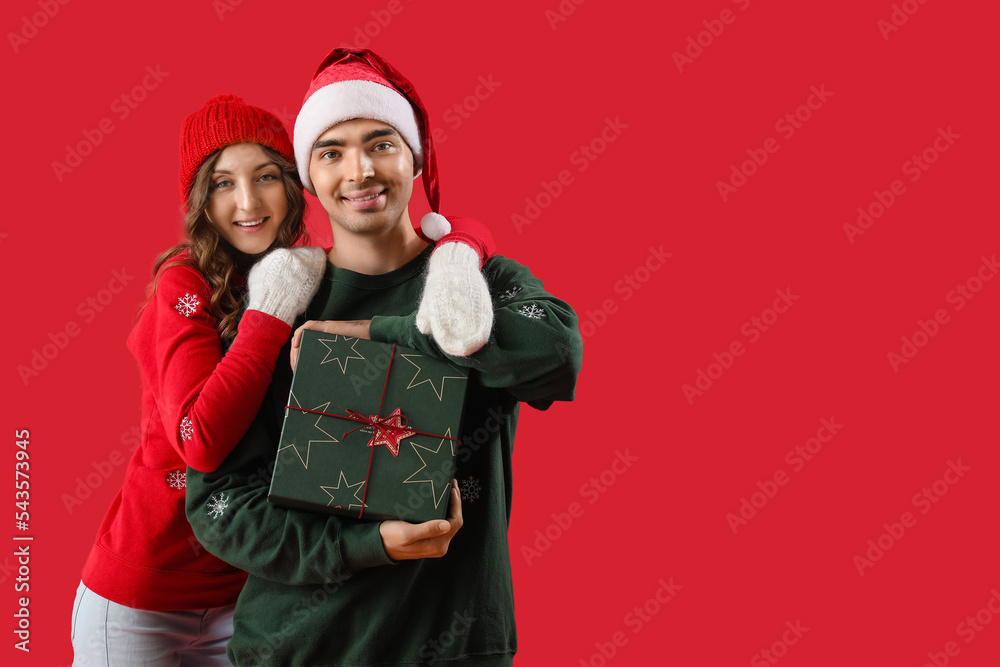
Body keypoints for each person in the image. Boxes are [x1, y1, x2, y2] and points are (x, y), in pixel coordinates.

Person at [185, 48, 583, 666]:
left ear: (415, 156)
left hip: (454, 649)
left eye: (382, 143)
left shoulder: (480, 283)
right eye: (331, 152)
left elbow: (556, 354)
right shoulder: (276, 306)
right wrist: (367, 545)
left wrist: (382, 333)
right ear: (308, 177)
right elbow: (217, 503)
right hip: (295, 651)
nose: (360, 170)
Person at [72, 92, 498, 665]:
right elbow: (200, 441)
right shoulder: (186, 285)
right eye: (223, 183)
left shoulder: (305, 274)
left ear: (296, 186)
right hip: (148, 596)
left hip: (248, 588)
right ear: (199, 199)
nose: (248, 202)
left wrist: (462, 244)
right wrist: (268, 316)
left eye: (267, 176)